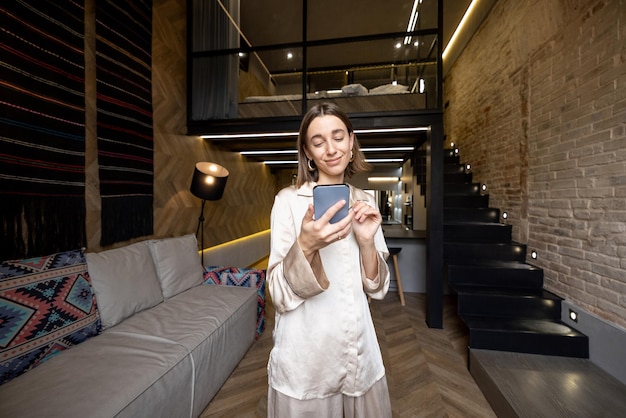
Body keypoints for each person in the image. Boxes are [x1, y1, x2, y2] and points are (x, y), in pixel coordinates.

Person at [266, 102, 392, 418]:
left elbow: (378, 290)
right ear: (308, 152)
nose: (331, 149)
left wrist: (366, 244)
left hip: (357, 347)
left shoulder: (364, 201)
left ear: (351, 141)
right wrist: (307, 245)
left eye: (338, 137)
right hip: (306, 352)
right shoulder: (288, 202)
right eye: (318, 142)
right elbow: (278, 295)